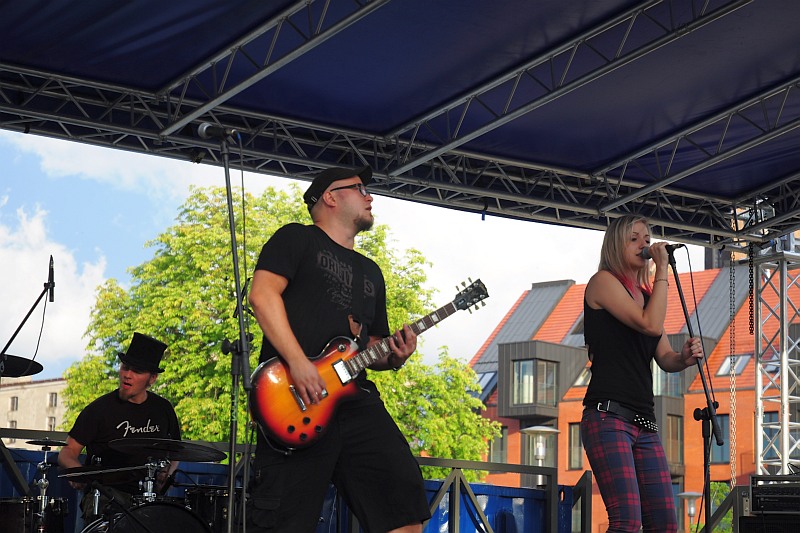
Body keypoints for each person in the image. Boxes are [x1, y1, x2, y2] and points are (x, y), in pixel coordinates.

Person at [246, 165, 431, 533]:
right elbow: (262, 296)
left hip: (355, 401)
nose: (370, 196)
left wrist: (395, 356)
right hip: (297, 398)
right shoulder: (296, 238)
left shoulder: (371, 272)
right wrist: (299, 363)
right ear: (330, 197)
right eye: (359, 188)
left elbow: (371, 344)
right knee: (283, 522)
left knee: (404, 507)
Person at [581, 215, 704, 532]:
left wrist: (684, 358)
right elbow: (650, 325)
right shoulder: (603, 282)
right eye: (634, 239)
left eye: (647, 240)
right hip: (608, 416)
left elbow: (665, 357)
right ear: (615, 245)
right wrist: (662, 270)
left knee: (665, 524)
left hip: (644, 422)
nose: (644, 245)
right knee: (626, 521)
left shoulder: (648, 299)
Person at [58, 332, 181, 522]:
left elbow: (176, 452)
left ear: (152, 378)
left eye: (137, 371)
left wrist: (168, 474)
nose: (127, 375)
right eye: (125, 367)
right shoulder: (100, 409)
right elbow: (67, 452)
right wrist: (77, 472)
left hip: (149, 496)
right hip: (106, 495)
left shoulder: (163, 409)